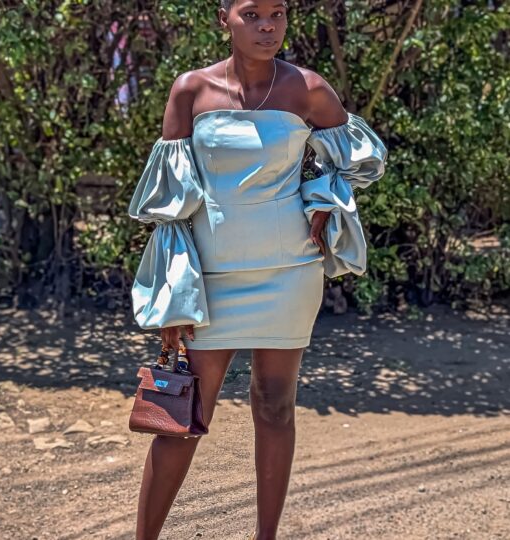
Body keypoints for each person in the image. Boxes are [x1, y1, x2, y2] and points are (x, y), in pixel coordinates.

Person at [127, 1, 387, 538]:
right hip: (212, 278)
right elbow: (170, 206)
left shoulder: (307, 88)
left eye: (278, 13)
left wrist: (324, 195)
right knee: (182, 416)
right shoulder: (191, 90)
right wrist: (173, 297)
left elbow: (360, 159)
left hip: (289, 272)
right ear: (222, 17)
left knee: (274, 406)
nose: (268, 26)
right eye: (252, 14)